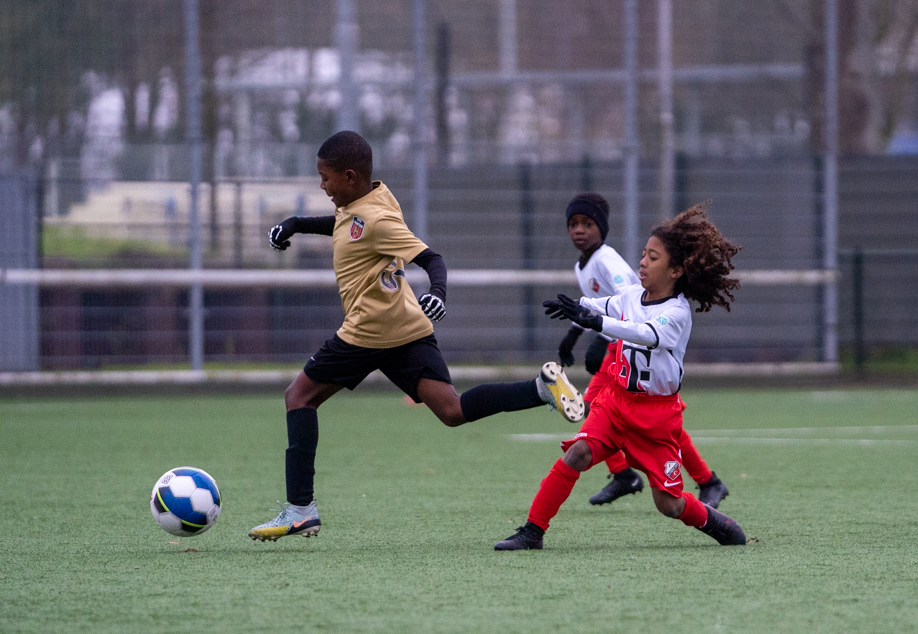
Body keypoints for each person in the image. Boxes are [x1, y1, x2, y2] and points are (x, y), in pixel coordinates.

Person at [248, 131, 585, 542]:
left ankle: (300, 510)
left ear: (350, 177)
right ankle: (539, 388)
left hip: (367, 332)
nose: (322, 185)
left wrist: (438, 293)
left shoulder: (376, 218)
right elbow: (344, 226)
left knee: (298, 397)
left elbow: (431, 258)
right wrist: (296, 224)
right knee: (452, 411)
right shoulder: (370, 199)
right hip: (405, 328)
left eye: (325, 177)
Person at [495, 203, 747, 550]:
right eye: (644, 254)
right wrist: (578, 309)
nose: (642, 262)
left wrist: (596, 323)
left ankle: (714, 520)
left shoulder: (676, 312)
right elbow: (604, 305)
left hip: (656, 418)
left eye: (653, 257)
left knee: (669, 504)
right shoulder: (632, 295)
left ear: (675, 271)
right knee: (577, 453)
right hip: (616, 402)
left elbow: (643, 332)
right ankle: (532, 531)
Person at [559, 193, 729, 508]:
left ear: (603, 228)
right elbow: (598, 308)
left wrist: (601, 337)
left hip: (631, 343)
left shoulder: (605, 260)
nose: (579, 230)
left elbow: (633, 299)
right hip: (623, 340)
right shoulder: (583, 265)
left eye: (587, 223)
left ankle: (695, 480)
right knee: (605, 412)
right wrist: (574, 333)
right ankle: (694, 479)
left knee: (609, 412)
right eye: (573, 224)